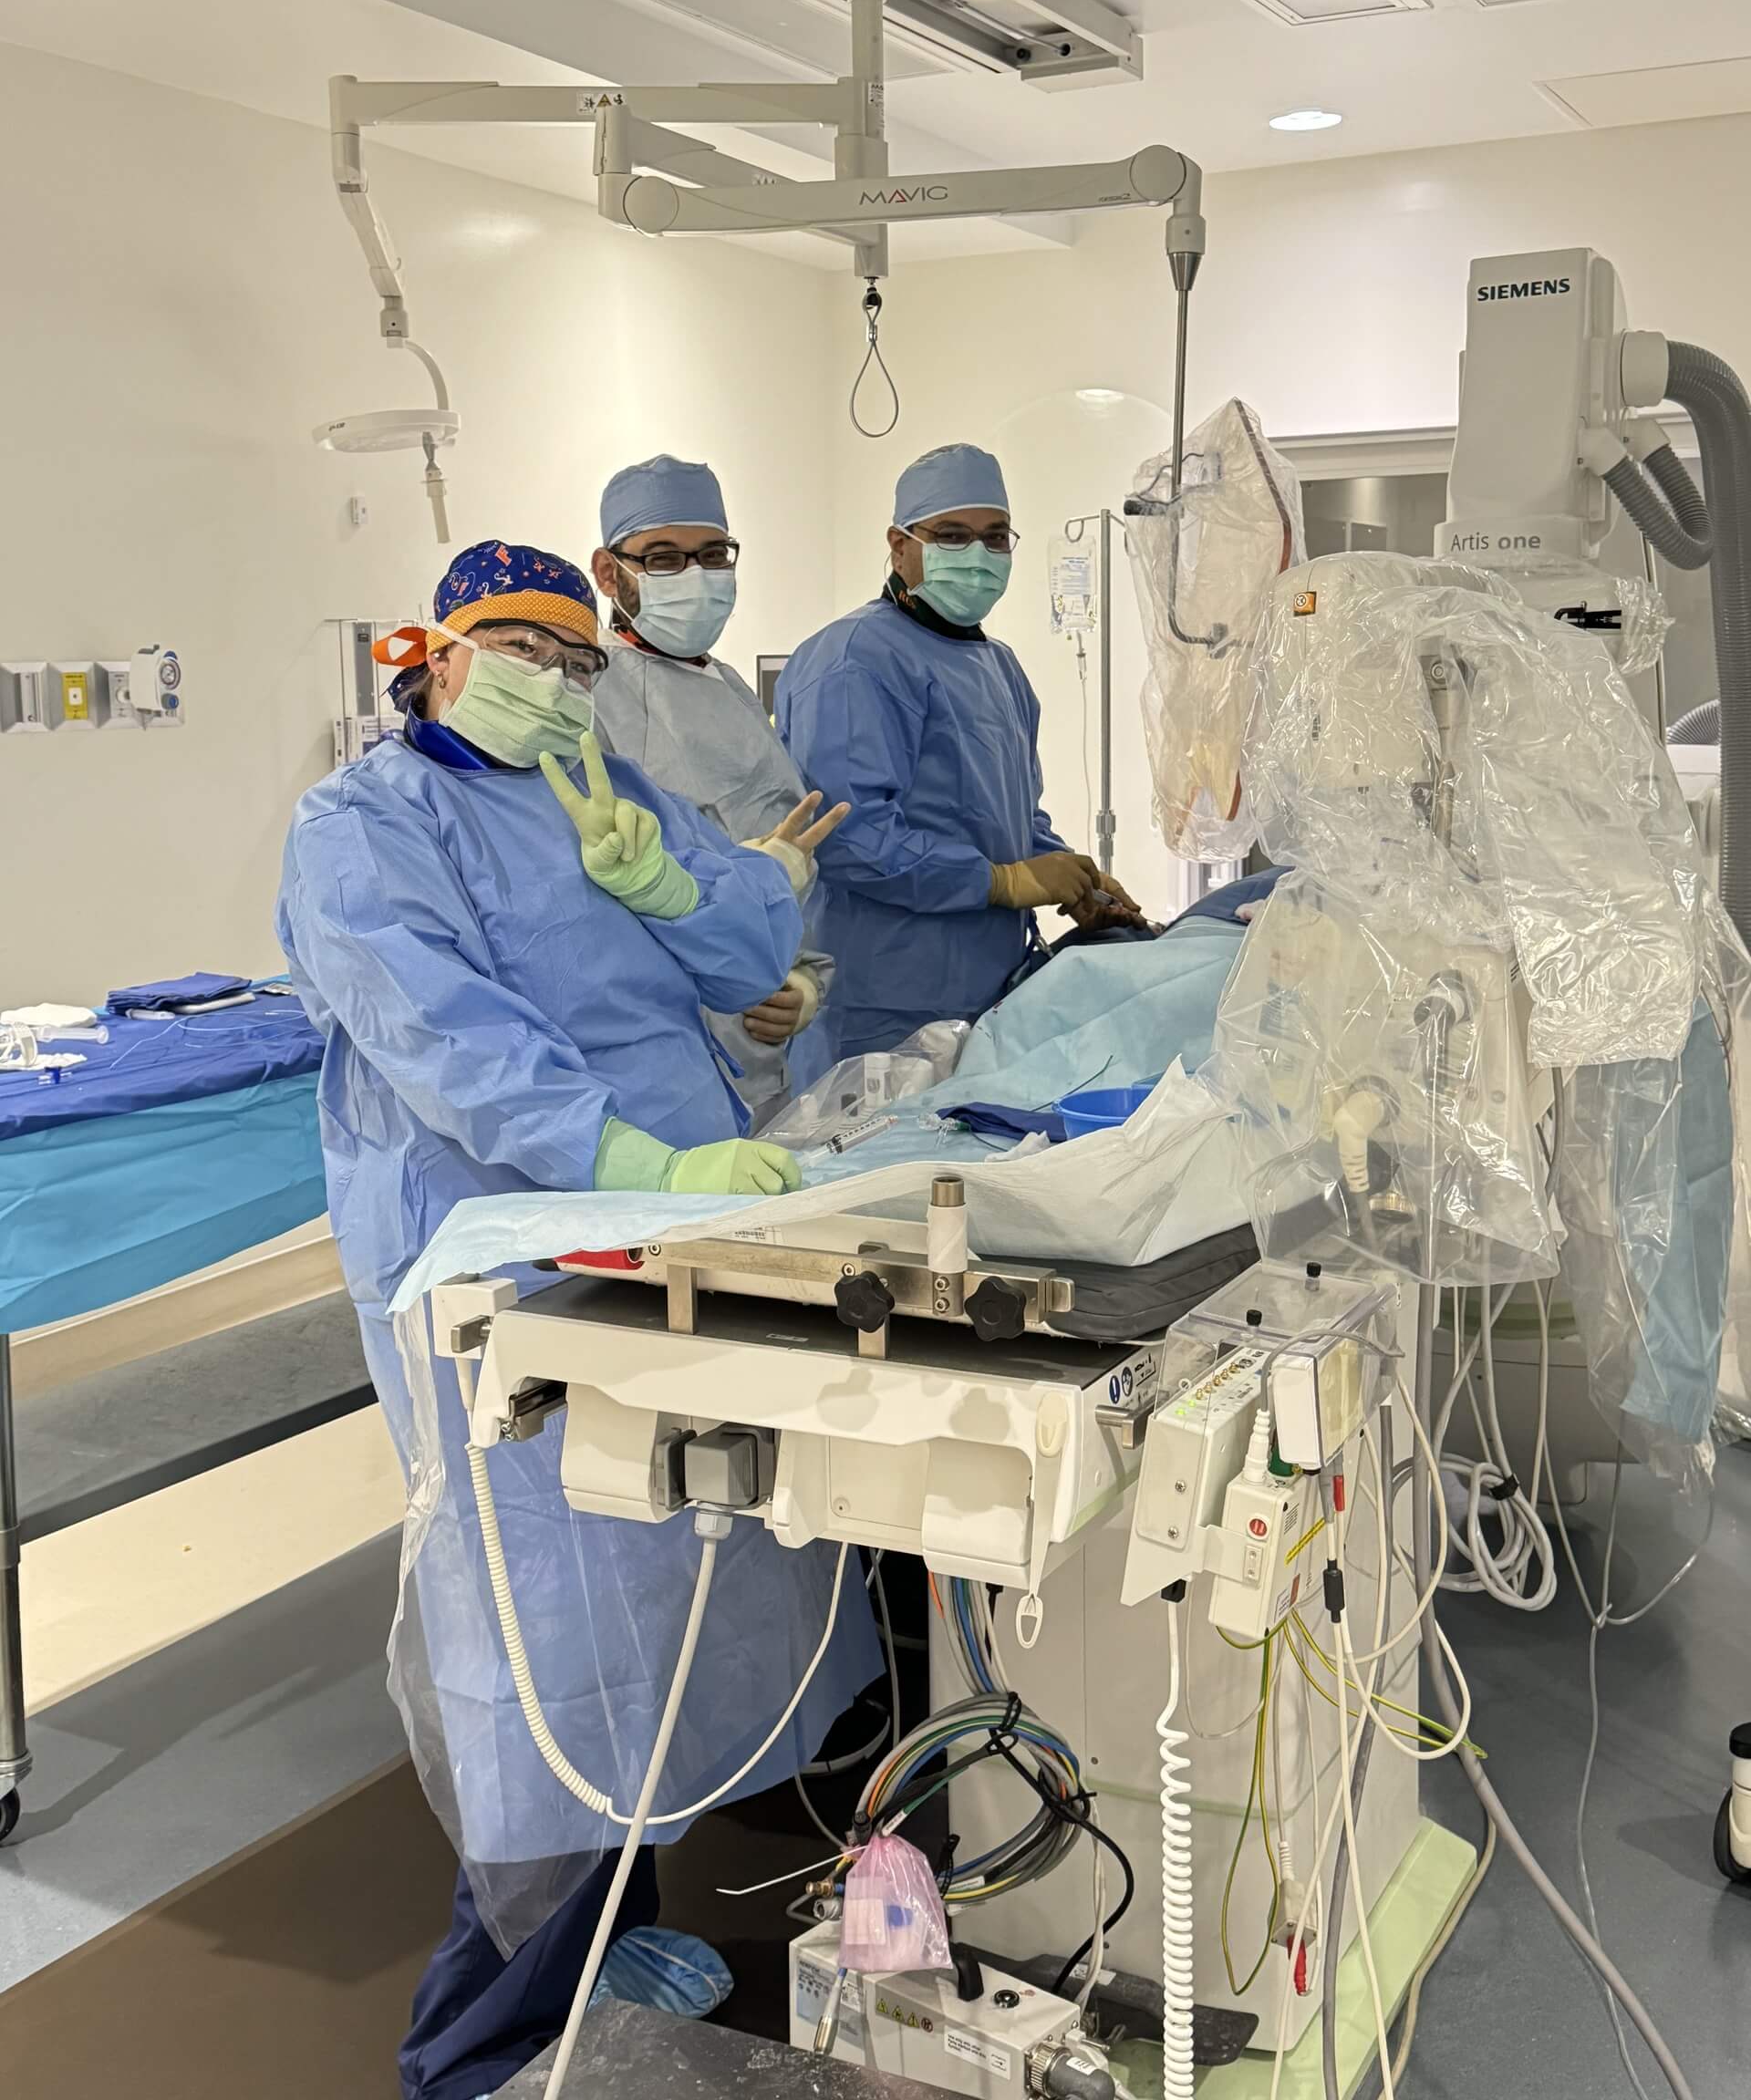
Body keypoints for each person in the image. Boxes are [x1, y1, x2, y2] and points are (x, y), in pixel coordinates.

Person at [275, 542, 876, 2100]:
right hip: (500, 1252)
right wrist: (634, 1163)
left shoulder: (601, 782)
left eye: (572, 652)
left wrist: (674, 884)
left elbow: (755, 953)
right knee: (543, 1628)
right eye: (518, 645)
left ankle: (615, 1923)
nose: (555, 675)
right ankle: (487, 2029)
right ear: (434, 651)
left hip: (658, 1237)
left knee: (680, 1582)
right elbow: (448, 1040)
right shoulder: (363, 826)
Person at [776, 442, 1140, 1058]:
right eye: (952, 536)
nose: (978, 556)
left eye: (995, 538)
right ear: (899, 545)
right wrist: (1000, 881)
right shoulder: (853, 660)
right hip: (881, 1000)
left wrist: (1073, 878)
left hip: (989, 988)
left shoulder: (999, 668)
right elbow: (848, 838)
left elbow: (1010, 817)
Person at [589, 453, 836, 1125]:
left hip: (759, 1051)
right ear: (610, 573)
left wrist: (802, 980)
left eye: (712, 554)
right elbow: (599, 899)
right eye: (664, 558)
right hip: (662, 1060)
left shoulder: (730, 691)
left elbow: (788, 854)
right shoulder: (588, 697)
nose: (694, 576)